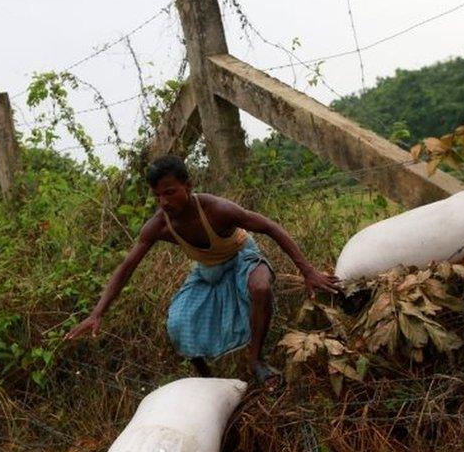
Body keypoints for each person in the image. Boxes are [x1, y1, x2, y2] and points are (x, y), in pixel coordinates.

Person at [65, 155, 341, 386]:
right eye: (157, 195)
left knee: (260, 288)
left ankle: (256, 359)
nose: (164, 202)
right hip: (207, 271)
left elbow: (270, 227)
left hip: (242, 256)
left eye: (170, 192)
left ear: (188, 186)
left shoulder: (217, 210)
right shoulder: (159, 226)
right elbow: (127, 268)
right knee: (177, 323)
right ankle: (206, 380)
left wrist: (308, 272)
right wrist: (97, 313)